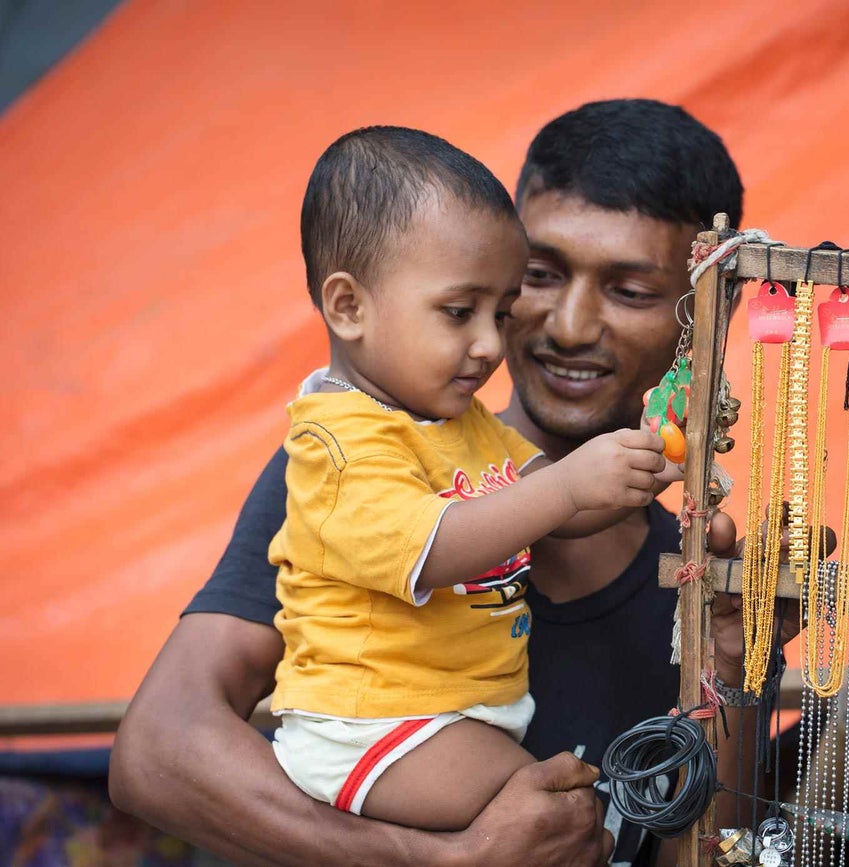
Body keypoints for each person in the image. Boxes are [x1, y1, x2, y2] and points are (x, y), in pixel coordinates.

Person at [110, 99, 766, 867]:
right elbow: (156, 753)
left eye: (629, 290)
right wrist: (446, 860)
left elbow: (701, 852)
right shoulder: (355, 463)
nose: (569, 324)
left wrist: (734, 661)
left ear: (711, 312)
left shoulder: (696, 577)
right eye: (540, 276)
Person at [266, 124, 672, 830]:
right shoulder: (336, 443)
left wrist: (644, 466)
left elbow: (558, 508)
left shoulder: (459, 423)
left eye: (501, 312)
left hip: (442, 720)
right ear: (348, 305)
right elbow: (440, 542)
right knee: (570, 814)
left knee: (565, 809)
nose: (489, 345)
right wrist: (571, 483)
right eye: (460, 313)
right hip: (373, 725)